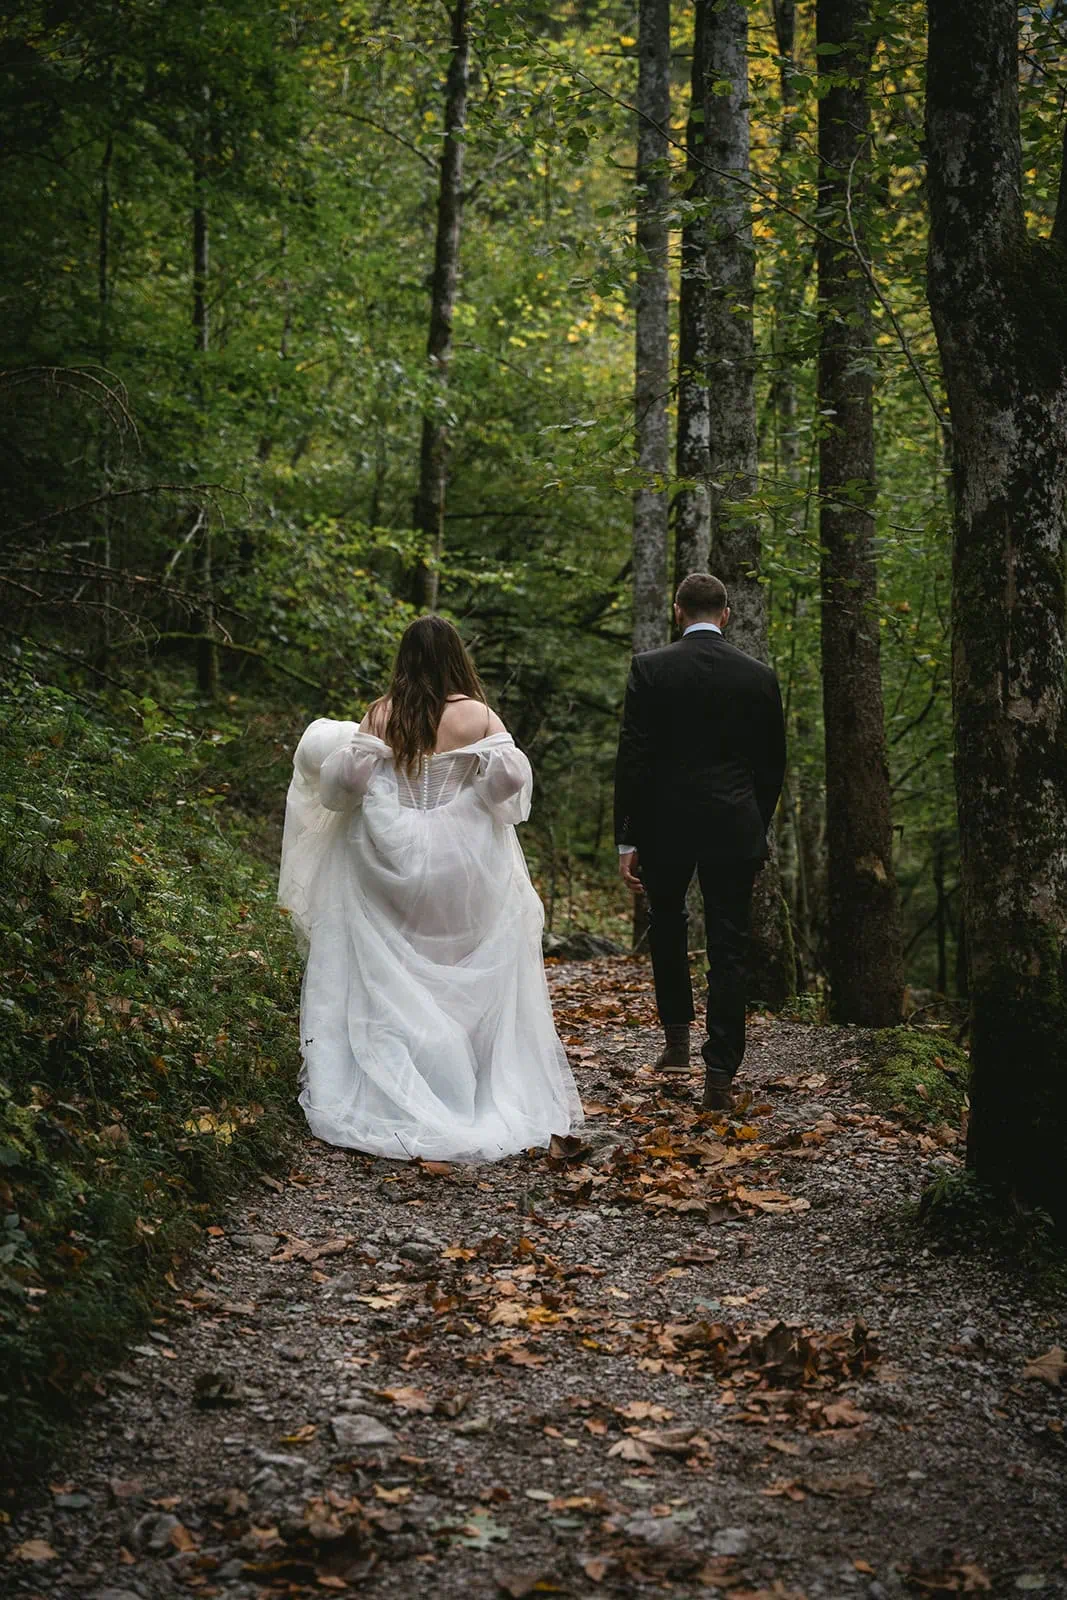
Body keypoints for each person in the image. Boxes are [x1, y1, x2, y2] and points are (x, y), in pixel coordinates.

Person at [278, 615, 582, 1162]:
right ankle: (469, 1088)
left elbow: (345, 787)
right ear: (455, 658)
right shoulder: (477, 715)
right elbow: (510, 784)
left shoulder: (383, 713)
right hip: (464, 861)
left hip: (389, 855)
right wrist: (476, 781)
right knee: (461, 964)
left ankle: (410, 1084)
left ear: (406, 658)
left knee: (396, 967)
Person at [613, 573, 786, 1112]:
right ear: (726, 614)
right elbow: (772, 765)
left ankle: (677, 1043)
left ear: (677, 610)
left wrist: (627, 837)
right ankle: (720, 1076)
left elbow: (633, 758)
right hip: (733, 824)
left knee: (666, 924)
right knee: (729, 945)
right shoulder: (758, 676)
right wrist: (754, 821)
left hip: (665, 824)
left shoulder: (650, 668)